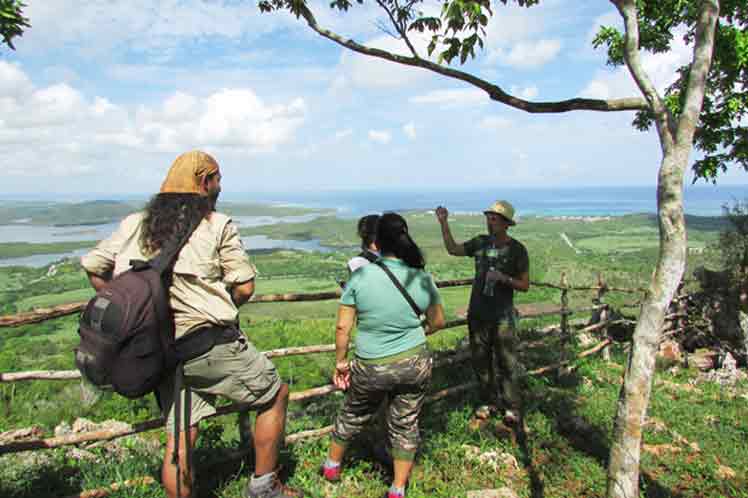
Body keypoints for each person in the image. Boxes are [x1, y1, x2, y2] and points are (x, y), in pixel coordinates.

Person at [80, 150, 303, 498]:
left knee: (180, 437)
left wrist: (141, 312)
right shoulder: (217, 224)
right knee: (274, 396)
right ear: (204, 183)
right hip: (209, 344)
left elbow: (94, 267)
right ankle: (265, 486)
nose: (220, 186)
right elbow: (244, 286)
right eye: (217, 179)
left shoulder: (134, 223)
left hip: (158, 348)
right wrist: (221, 306)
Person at [322, 212, 445, 498]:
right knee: (405, 423)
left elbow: (343, 326)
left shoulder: (361, 276)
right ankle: (398, 488)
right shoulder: (421, 276)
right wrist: (414, 335)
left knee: (353, 413)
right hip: (414, 362)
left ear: (377, 242)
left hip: (371, 364)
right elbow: (438, 321)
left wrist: (341, 362)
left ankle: (331, 466)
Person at [435, 201, 529, 425]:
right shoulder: (480, 242)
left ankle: (511, 406)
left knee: (507, 362)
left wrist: (503, 279)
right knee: (480, 361)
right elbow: (453, 249)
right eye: (488, 217)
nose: (489, 221)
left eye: (494, 218)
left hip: (503, 316)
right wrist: (443, 222)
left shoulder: (517, 250)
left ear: (506, 224)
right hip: (478, 314)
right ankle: (487, 402)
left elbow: (525, 285)